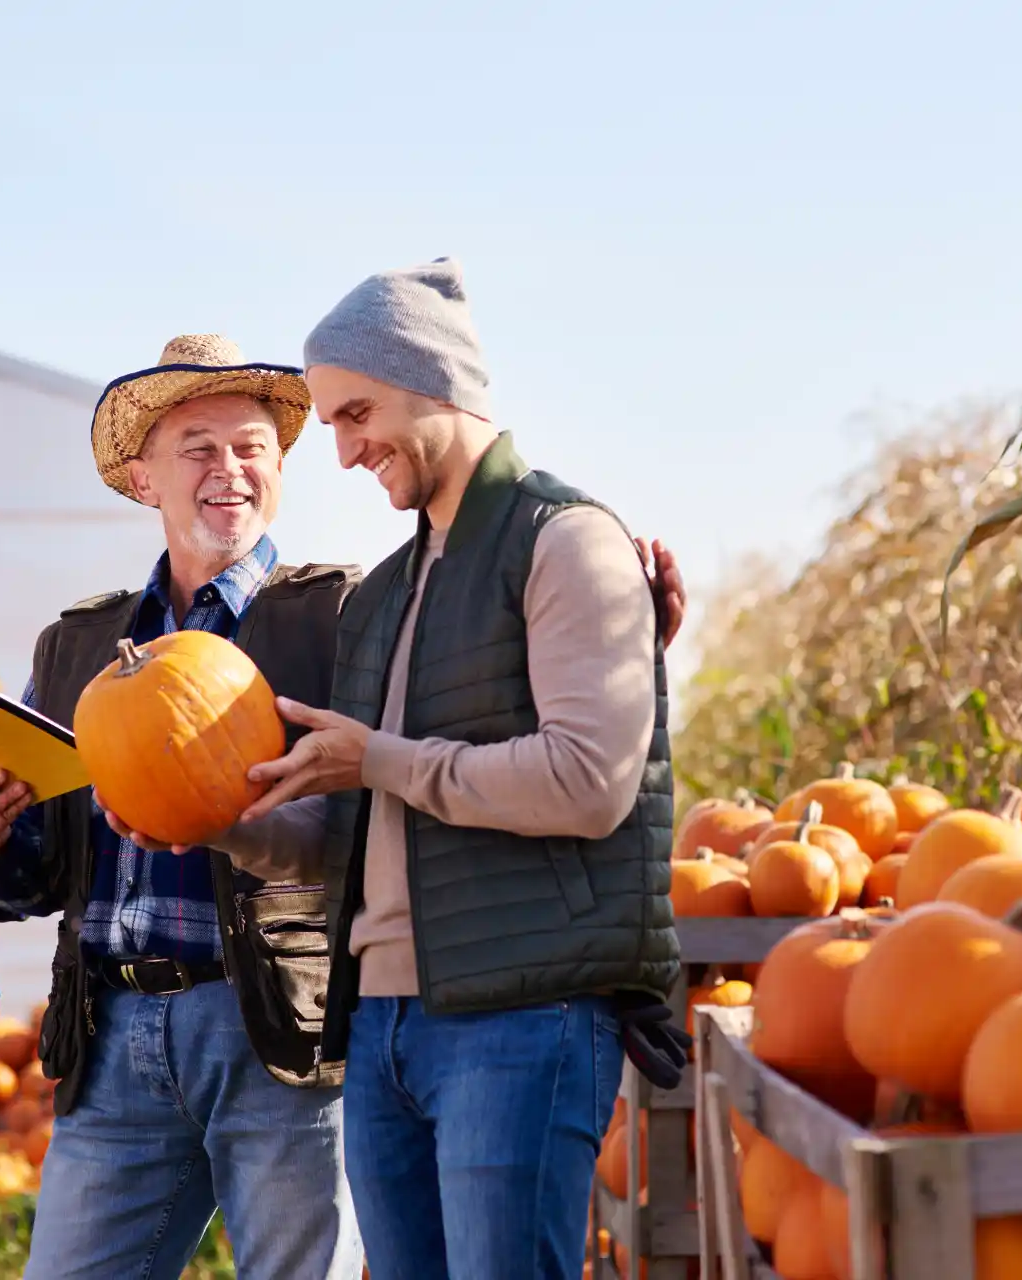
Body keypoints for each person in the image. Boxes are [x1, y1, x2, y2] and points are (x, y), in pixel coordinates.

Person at [0, 333, 689, 1280]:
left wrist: (629, 638)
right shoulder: (79, 644)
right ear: (143, 479)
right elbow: (45, 869)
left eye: (253, 446)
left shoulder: (350, 610)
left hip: (281, 1029)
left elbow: (450, 755)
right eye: (199, 448)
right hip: (115, 1030)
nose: (231, 470)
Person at [189, 258, 684, 1280]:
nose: (342, 448)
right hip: (382, 1030)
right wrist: (217, 818)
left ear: (439, 384)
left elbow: (589, 781)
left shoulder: (567, 542)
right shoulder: (379, 598)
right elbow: (356, 836)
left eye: (356, 411)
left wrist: (380, 756)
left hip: (524, 1017)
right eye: (330, 422)